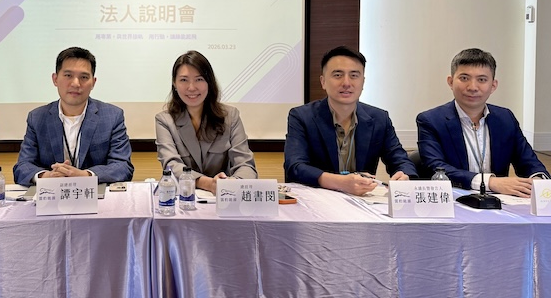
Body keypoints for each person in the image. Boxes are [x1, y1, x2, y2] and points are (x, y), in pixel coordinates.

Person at [417, 48, 548, 197]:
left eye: (482, 80)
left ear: (493, 85)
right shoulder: (431, 120)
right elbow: (435, 168)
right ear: (451, 82)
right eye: (464, 78)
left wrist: (538, 182)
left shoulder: (505, 118)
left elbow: (529, 162)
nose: (472, 87)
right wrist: (490, 182)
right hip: (455, 200)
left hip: (500, 203)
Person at [285, 45, 416, 195]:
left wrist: (404, 175)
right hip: (316, 198)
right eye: (338, 75)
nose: (346, 83)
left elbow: (400, 160)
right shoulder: (302, 117)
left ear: (363, 82)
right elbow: (295, 167)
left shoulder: (379, 118)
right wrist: (340, 182)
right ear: (323, 81)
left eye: (354, 75)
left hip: (363, 201)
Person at [13, 46, 133, 185]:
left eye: (84, 77)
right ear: (55, 79)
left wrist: (85, 175)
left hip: (95, 194)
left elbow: (123, 167)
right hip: (51, 193)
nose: (76, 83)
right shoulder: (37, 117)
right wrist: (47, 176)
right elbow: (22, 167)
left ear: (93, 83)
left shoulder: (112, 116)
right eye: (68, 75)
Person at [155, 50, 257, 194]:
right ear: (174, 84)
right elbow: (171, 165)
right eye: (184, 80)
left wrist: (233, 183)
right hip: (184, 197)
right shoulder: (164, 120)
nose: (192, 87)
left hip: (225, 196)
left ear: (209, 82)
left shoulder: (230, 116)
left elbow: (245, 164)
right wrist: (209, 184)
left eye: (199, 79)